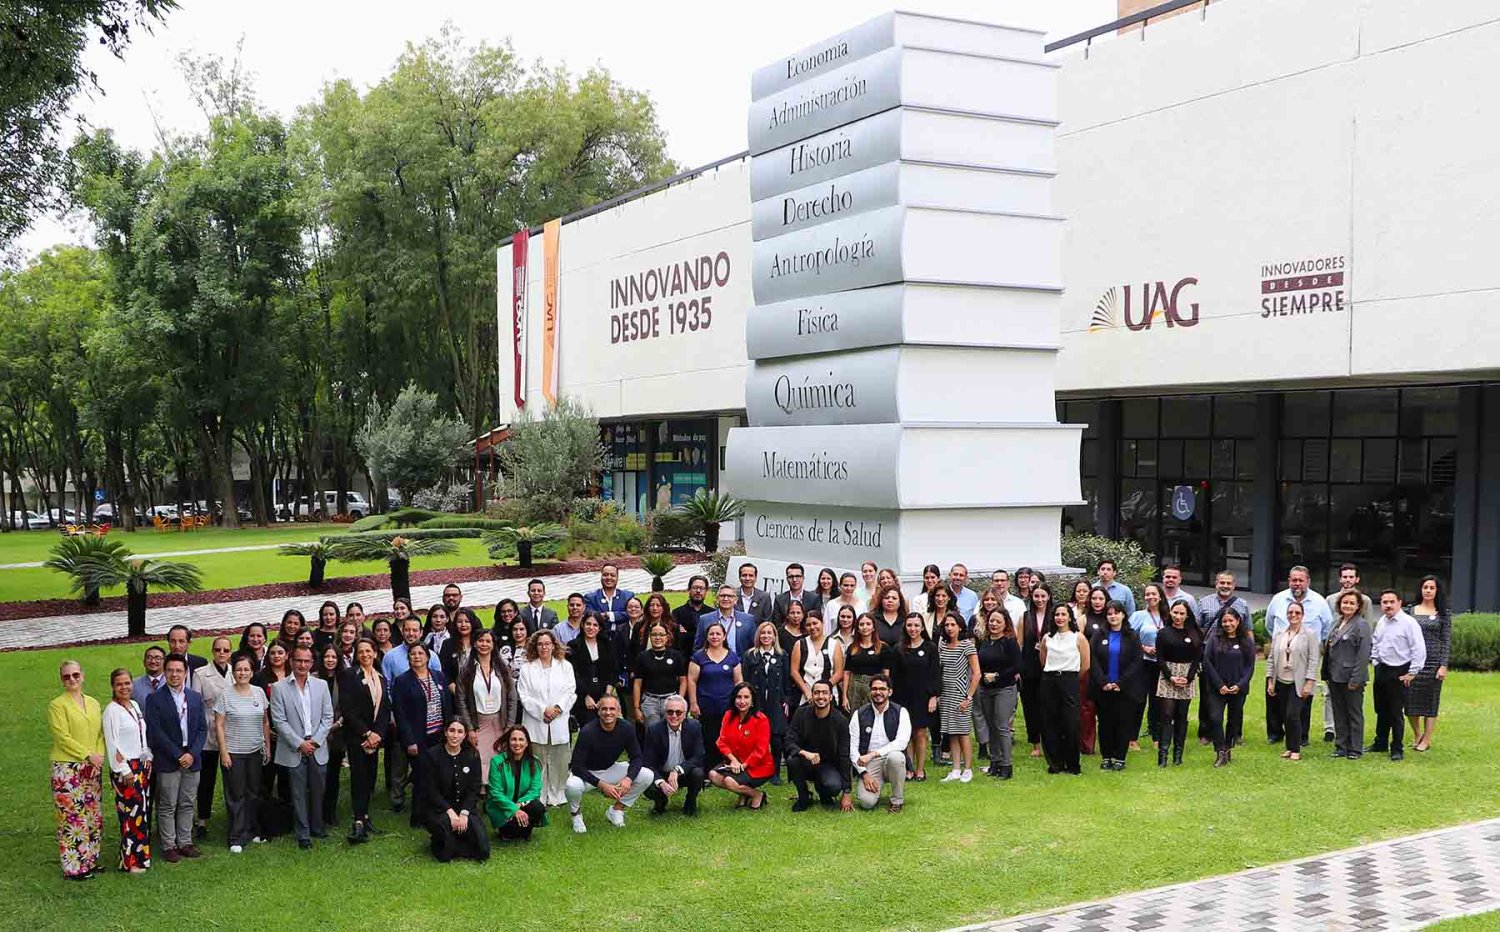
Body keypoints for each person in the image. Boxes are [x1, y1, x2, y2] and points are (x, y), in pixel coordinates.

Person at [143, 653, 207, 862]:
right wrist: (178, 754)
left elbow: (202, 729)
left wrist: (192, 753)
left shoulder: (194, 697)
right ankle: (169, 845)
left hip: (192, 758)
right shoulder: (155, 699)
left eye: (179, 670)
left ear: (186, 672)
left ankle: (185, 842)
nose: (174, 674)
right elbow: (155, 732)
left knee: (187, 802)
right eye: (170, 670)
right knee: (167, 804)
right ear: (164, 672)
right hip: (169, 759)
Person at [270, 645, 335, 849]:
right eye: (299, 660)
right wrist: (300, 744)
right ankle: (303, 833)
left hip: (317, 746)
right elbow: (279, 721)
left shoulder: (321, 685)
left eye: (307, 661)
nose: (302, 665)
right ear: (291, 661)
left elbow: (328, 717)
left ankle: (317, 826)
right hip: (294, 748)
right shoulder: (279, 688)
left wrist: (315, 741)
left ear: (312, 663)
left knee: (318, 790)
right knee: (297, 793)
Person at [49, 661, 105, 880]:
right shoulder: (57, 705)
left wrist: (98, 757)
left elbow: (100, 733)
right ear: (61, 680)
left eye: (75, 674)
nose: (72, 679)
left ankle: (90, 861)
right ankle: (73, 867)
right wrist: (87, 755)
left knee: (92, 815)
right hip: (67, 768)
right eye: (66, 676)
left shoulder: (93, 703)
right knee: (72, 818)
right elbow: (62, 737)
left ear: (82, 675)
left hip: (92, 766)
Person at [1264, 566, 1332, 745]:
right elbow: (1269, 624)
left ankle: (1301, 736)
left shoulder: (1319, 602)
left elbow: (1327, 628)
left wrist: (1311, 645)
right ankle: (1275, 733)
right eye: (1294, 580)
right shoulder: (1278, 599)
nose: (1297, 584)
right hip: (1280, 653)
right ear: (1289, 581)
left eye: (1301, 580)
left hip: (1305, 656)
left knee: (1302, 696)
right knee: (1274, 695)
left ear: (1308, 581)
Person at [566, 695, 654, 832]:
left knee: (647, 775)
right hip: (587, 774)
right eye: (604, 709)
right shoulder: (587, 731)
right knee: (572, 786)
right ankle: (576, 815)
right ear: (598, 711)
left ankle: (616, 810)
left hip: (610, 769)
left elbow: (637, 757)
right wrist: (601, 785)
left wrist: (628, 779)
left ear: (618, 711)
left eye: (612, 709)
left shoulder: (626, 728)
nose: (608, 713)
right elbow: (577, 766)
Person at [392, 643, 451, 828]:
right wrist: (409, 741)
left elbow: (447, 705)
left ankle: (437, 811)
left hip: (438, 735)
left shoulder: (439, 676)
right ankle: (418, 817)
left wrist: (449, 731)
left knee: (438, 774)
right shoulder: (402, 681)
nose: (417, 656)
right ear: (408, 658)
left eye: (420, 653)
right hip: (418, 738)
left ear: (428, 657)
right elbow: (400, 713)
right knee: (421, 776)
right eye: (413, 654)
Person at [214, 654, 269, 853]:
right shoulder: (225, 695)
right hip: (234, 753)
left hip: (255, 751)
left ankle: (252, 831)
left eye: (246, 669)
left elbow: (265, 722)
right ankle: (235, 837)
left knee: (253, 793)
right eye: (238, 669)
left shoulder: (259, 693)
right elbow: (219, 725)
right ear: (233, 672)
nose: (242, 673)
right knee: (236, 795)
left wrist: (267, 747)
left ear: (252, 672)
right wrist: (224, 752)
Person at [1193, 571, 1253, 745]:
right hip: (1211, 654)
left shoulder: (1242, 604)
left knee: (1237, 700)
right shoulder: (1204, 603)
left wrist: (1249, 651)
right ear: (1216, 583)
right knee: (1208, 697)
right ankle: (1206, 733)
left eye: (1228, 583)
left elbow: (1248, 630)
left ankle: (1235, 734)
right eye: (1222, 582)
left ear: (1234, 585)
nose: (1225, 586)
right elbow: (1197, 629)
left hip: (1235, 655)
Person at [517, 630, 576, 806]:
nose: (544, 647)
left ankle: (558, 794)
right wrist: (543, 710)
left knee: (559, 760)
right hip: (536, 721)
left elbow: (570, 691)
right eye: (540, 644)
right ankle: (538, 794)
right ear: (535, 647)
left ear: (553, 645)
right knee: (537, 760)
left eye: (547, 644)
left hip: (559, 720)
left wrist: (557, 709)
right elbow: (524, 695)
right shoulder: (527, 668)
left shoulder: (565, 666)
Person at [339, 638, 389, 843]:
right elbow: (348, 709)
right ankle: (358, 821)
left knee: (370, 778)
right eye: (361, 652)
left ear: (375, 653)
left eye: (368, 651)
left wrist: (378, 734)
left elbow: (385, 708)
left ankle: (366, 816)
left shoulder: (380, 677)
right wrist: (367, 733)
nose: (365, 655)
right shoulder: (350, 675)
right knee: (359, 779)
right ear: (356, 655)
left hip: (374, 739)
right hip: (357, 738)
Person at [103, 668, 152, 872]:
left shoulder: (134, 705)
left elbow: (141, 734)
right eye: (119, 684)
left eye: (127, 683)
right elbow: (112, 744)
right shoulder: (111, 711)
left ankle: (141, 858)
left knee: (141, 813)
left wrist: (147, 756)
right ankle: (130, 862)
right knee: (130, 815)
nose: (124, 687)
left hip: (140, 765)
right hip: (126, 770)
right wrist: (124, 770)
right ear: (113, 687)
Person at [1368, 589, 1427, 761]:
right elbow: (1376, 642)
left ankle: (1397, 748)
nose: (1388, 605)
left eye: (1391, 602)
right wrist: (1375, 661)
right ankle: (1380, 742)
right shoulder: (1382, 621)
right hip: (1382, 669)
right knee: (1381, 709)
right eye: (1385, 602)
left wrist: (1412, 672)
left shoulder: (1409, 623)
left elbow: (1419, 648)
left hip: (1400, 671)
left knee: (1395, 712)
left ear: (1399, 603)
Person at [453, 629, 515, 786]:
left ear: (493, 645)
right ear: (474, 643)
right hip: (478, 723)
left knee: (499, 758)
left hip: (499, 722)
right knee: (479, 758)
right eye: (480, 641)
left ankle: (497, 790)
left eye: (488, 641)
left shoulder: (502, 669)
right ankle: (480, 790)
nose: (484, 644)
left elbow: (512, 698)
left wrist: (509, 726)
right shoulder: (466, 670)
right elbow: (461, 701)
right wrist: (470, 728)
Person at [422, 719, 489, 862]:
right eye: (452, 731)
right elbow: (431, 790)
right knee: (446, 854)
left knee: (483, 850)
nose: (455, 735)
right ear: (445, 732)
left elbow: (474, 788)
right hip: (440, 809)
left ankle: (459, 839)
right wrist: (450, 812)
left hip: (465, 808)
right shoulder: (432, 755)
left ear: (465, 735)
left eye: (460, 732)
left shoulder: (472, 754)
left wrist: (464, 812)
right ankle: (444, 840)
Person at [1089, 601, 1143, 772]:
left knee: (1123, 723)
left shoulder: (1132, 636)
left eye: (1116, 613)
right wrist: (1103, 682)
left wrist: (1121, 682)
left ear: (1123, 615)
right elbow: (1092, 659)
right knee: (1105, 723)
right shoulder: (1099, 634)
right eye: (1109, 613)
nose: (1113, 616)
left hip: (1125, 689)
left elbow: (1137, 661)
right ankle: (1106, 757)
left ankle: (1120, 757)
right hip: (1103, 688)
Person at [1267, 601, 1320, 762]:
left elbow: (1314, 660)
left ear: (1302, 615)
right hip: (1281, 680)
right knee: (1285, 715)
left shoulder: (1309, 635)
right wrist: (1270, 681)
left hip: (1299, 682)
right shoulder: (1279, 634)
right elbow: (1271, 659)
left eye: (1297, 613)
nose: (1293, 615)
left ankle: (1296, 749)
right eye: (1290, 612)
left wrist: (1309, 682)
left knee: (1293, 715)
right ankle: (1289, 747)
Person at [785, 681, 851, 810]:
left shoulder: (841, 721)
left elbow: (844, 755)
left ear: (831, 697)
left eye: (824, 693)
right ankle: (804, 797)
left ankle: (824, 793)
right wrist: (804, 752)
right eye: (817, 693)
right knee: (792, 759)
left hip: (829, 765)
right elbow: (788, 740)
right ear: (812, 695)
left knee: (833, 786)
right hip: (806, 761)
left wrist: (847, 792)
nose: (820, 696)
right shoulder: (801, 713)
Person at [1202, 608, 1255, 767]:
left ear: (1238, 621)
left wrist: (1240, 685)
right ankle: (1220, 750)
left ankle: (1227, 747)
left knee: (1233, 720)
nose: (1228, 624)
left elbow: (1250, 666)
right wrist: (1219, 685)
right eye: (1225, 621)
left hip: (1237, 689)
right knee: (1215, 718)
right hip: (1217, 688)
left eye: (1231, 620)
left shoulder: (1246, 640)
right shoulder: (1214, 639)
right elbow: (1207, 662)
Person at [849, 675, 910, 812]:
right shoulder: (859, 714)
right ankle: (873, 790)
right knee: (866, 803)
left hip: (890, 759)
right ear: (870, 691)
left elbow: (901, 742)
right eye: (874, 689)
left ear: (890, 692)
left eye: (882, 689)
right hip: (869, 764)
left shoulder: (901, 712)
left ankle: (897, 800)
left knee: (896, 757)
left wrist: (874, 754)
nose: (878, 692)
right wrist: (864, 774)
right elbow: (853, 748)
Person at [1039, 605, 1087, 775]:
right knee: (1050, 722)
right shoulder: (1047, 638)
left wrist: (1069, 679)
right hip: (1049, 681)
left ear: (1069, 617)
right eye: (1057, 614)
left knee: (1071, 723)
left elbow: (1085, 665)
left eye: (1063, 614)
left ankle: (1073, 764)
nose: (1060, 617)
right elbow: (1043, 660)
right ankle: (1055, 763)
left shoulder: (1078, 637)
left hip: (1070, 680)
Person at [1323, 591, 1372, 761]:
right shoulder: (1337, 622)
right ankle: (1341, 746)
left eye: (1352, 603)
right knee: (1339, 713)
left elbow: (1363, 654)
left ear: (1358, 606)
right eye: (1345, 602)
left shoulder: (1361, 625)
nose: (1348, 606)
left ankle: (1355, 748)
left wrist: (1355, 679)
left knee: (1353, 713)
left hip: (1352, 677)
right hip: (1334, 675)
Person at [710, 683, 774, 809]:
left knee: (729, 781)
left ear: (752, 701)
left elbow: (760, 750)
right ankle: (744, 794)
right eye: (739, 697)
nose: (742, 701)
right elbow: (721, 742)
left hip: (758, 766)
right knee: (713, 775)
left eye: (746, 697)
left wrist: (742, 765)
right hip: (735, 763)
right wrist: (733, 760)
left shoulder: (761, 719)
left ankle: (757, 795)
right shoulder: (728, 715)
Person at [689, 621, 743, 770]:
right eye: (711, 634)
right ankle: (709, 770)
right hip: (706, 707)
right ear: (707, 636)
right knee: (709, 739)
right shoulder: (699, 657)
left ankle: (726, 768)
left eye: (718, 634)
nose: (714, 636)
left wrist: (740, 704)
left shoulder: (732, 657)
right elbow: (692, 681)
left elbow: (739, 682)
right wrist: (693, 703)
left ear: (724, 636)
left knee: (727, 738)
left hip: (728, 707)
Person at [193, 636, 232, 841]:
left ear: (230, 652)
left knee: (232, 779)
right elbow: (195, 705)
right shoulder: (200, 674)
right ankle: (202, 820)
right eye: (218, 650)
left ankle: (233, 817)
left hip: (232, 733)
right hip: (208, 733)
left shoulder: (237, 671)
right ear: (212, 651)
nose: (221, 653)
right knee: (206, 780)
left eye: (226, 650)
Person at [1407, 575, 1452, 753]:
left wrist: (1443, 665)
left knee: (1431, 703)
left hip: (1433, 663)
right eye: (1425, 587)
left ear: (1437, 591)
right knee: (1410, 703)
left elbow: (1446, 641)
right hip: (1413, 663)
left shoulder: (1443, 614)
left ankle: (1427, 738)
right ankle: (1417, 734)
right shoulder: (1410, 611)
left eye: (1432, 588)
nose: (1428, 590)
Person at [892, 613, 939, 780]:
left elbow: (935, 673)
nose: (913, 629)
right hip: (902, 697)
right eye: (910, 625)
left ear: (922, 627)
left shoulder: (930, 647)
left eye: (916, 625)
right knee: (907, 734)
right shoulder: (898, 649)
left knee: (920, 733)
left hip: (923, 697)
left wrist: (934, 696)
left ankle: (920, 769)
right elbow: (894, 675)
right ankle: (909, 768)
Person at [975, 609, 1022, 779]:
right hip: (985, 689)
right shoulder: (985, 641)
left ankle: (1006, 765)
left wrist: (997, 676)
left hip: (1004, 688)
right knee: (991, 726)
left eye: (998, 621)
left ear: (1005, 624)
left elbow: (1018, 666)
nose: (994, 624)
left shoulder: (1009, 642)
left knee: (1002, 726)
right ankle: (995, 762)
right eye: (991, 621)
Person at [742, 621, 790, 783]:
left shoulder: (782, 655)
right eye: (763, 633)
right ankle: (753, 768)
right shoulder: (750, 655)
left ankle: (775, 772)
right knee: (754, 737)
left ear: (775, 636)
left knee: (776, 739)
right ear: (758, 636)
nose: (766, 636)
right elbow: (745, 679)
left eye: (769, 633)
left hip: (776, 702)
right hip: (757, 702)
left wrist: (786, 700)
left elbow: (786, 679)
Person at [641, 694, 706, 816]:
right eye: (670, 712)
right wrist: (660, 782)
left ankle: (690, 800)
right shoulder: (654, 730)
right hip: (662, 774)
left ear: (685, 714)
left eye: (678, 712)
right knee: (647, 781)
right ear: (665, 713)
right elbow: (647, 763)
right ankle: (661, 801)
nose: (674, 716)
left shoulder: (694, 726)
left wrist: (677, 770)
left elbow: (699, 756)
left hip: (684, 772)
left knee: (698, 773)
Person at [1154, 601, 1200, 767]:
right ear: (1170, 613)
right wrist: (1170, 676)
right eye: (1175, 613)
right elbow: (1159, 658)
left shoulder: (1194, 633)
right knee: (1166, 714)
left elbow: (1197, 659)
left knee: (1182, 716)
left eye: (1182, 613)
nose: (1178, 616)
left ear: (1187, 615)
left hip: (1187, 675)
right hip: (1168, 675)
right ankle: (1163, 755)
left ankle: (1178, 755)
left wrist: (1188, 678)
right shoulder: (1163, 633)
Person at [937, 614, 979, 782]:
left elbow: (976, 673)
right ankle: (955, 769)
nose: (949, 628)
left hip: (961, 692)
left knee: (963, 732)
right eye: (947, 625)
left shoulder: (967, 645)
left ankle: (967, 769)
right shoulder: (943, 645)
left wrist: (968, 697)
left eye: (953, 624)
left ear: (960, 626)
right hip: (946, 692)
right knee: (951, 732)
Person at [487, 724, 547, 840]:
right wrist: (514, 810)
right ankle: (508, 831)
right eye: (513, 739)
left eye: (521, 739)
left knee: (537, 807)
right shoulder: (496, 762)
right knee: (509, 834)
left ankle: (525, 829)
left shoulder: (534, 761)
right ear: (508, 742)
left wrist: (519, 805)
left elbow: (535, 790)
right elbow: (495, 793)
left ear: (527, 743)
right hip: (503, 808)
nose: (517, 743)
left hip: (521, 804)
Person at [1129, 582, 1168, 751]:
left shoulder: (1168, 616)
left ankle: (1156, 737)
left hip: (1160, 664)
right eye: (1147, 594)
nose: (1150, 597)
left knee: (1157, 702)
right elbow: (1128, 637)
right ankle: (1132, 738)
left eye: (1154, 594)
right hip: (1142, 663)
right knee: (1138, 701)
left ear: (1160, 596)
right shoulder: (1138, 616)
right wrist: (1143, 647)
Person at [1018, 580, 1051, 760]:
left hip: (1050, 667)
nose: (1039, 599)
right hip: (1029, 668)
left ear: (1049, 597)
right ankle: (1035, 743)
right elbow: (1019, 644)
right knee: (1031, 707)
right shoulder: (1025, 617)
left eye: (1043, 596)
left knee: (1048, 706)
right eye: (1036, 596)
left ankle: (1049, 741)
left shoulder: (1055, 615)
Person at [633, 622, 687, 729]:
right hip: (650, 702)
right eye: (654, 634)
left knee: (672, 732)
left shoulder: (676, 656)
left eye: (661, 635)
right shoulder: (643, 657)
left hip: (671, 700)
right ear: (650, 636)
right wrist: (636, 707)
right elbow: (637, 684)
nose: (658, 638)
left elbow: (683, 680)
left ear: (667, 637)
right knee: (652, 733)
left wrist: (679, 700)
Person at [569, 612, 618, 728]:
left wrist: (607, 695)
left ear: (600, 628)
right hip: (583, 697)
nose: (591, 628)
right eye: (588, 624)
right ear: (582, 625)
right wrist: (585, 696)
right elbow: (573, 674)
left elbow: (613, 670)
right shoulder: (574, 645)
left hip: (604, 694)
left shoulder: (607, 644)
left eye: (595, 625)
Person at [315, 644, 346, 825]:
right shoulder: (313, 678)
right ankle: (316, 812)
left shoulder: (343, 679)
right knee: (317, 776)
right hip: (316, 734)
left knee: (333, 775)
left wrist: (338, 723)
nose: (330, 660)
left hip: (337, 733)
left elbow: (347, 705)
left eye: (334, 657)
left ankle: (330, 813)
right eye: (327, 656)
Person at [790, 612, 844, 715]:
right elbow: (794, 671)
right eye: (808, 625)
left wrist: (823, 690)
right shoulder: (799, 644)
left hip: (828, 695)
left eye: (815, 623)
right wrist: (807, 692)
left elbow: (838, 672)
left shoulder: (834, 644)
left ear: (822, 623)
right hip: (805, 696)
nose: (812, 627)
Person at [843, 614, 893, 714]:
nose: (865, 627)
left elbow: (886, 672)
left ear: (873, 627)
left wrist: (884, 690)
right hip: (855, 685)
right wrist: (844, 696)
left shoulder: (883, 647)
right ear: (857, 629)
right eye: (861, 624)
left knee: (874, 714)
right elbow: (847, 673)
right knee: (855, 716)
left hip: (874, 686)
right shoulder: (852, 648)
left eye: (868, 624)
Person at [584, 563, 634, 655]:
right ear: (601, 576)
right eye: (605, 575)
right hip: (599, 641)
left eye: (612, 575)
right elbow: (590, 617)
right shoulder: (590, 598)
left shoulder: (627, 596)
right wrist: (620, 615)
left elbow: (632, 614)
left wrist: (608, 615)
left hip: (623, 641)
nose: (609, 578)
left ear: (617, 578)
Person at [696, 583, 757, 654]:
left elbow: (753, 647)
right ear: (717, 599)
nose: (726, 599)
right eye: (722, 596)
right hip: (712, 660)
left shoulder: (748, 620)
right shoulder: (705, 620)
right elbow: (698, 647)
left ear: (736, 600)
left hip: (738, 660)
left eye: (730, 596)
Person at [382, 616, 443, 684]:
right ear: (402, 632)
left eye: (415, 630)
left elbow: (439, 683)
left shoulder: (432, 656)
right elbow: (386, 685)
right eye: (407, 630)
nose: (411, 633)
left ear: (421, 632)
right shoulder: (390, 656)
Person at [673, 575, 712, 654]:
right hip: (683, 656)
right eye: (695, 588)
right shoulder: (677, 613)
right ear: (689, 590)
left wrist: (687, 634)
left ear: (706, 591)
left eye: (701, 588)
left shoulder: (711, 613)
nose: (698, 591)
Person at [439, 608, 478, 685]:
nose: (463, 625)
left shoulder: (479, 642)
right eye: (459, 622)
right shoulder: (447, 644)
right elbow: (444, 671)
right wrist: (455, 690)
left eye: (467, 621)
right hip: (455, 688)